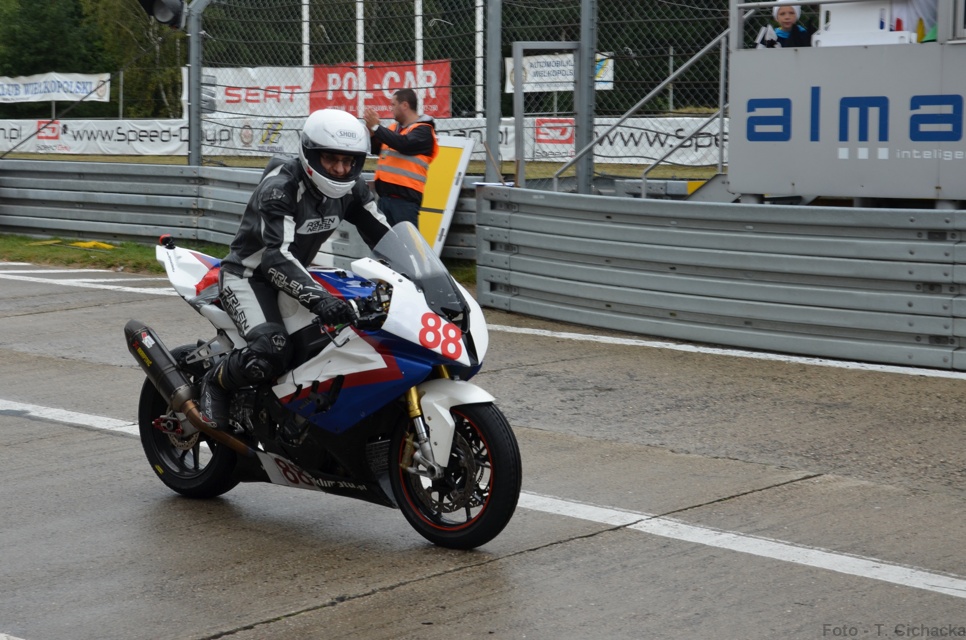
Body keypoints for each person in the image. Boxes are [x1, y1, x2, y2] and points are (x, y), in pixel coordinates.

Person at [199, 108, 390, 434]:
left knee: (340, 342)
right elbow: (276, 257)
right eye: (331, 159)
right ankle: (214, 382)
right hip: (250, 276)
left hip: (298, 274)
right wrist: (320, 300)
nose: (340, 169)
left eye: (348, 161)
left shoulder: (352, 188)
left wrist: (425, 279)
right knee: (272, 349)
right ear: (311, 154)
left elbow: (386, 236)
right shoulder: (281, 187)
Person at [363, 88, 439, 228]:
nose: (391, 108)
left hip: (405, 203)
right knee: (385, 240)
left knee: (406, 241)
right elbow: (377, 149)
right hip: (385, 199)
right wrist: (372, 133)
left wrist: (377, 128)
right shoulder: (394, 128)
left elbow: (404, 144)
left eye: (393, 104)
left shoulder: (424, 130)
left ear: (404, 105)